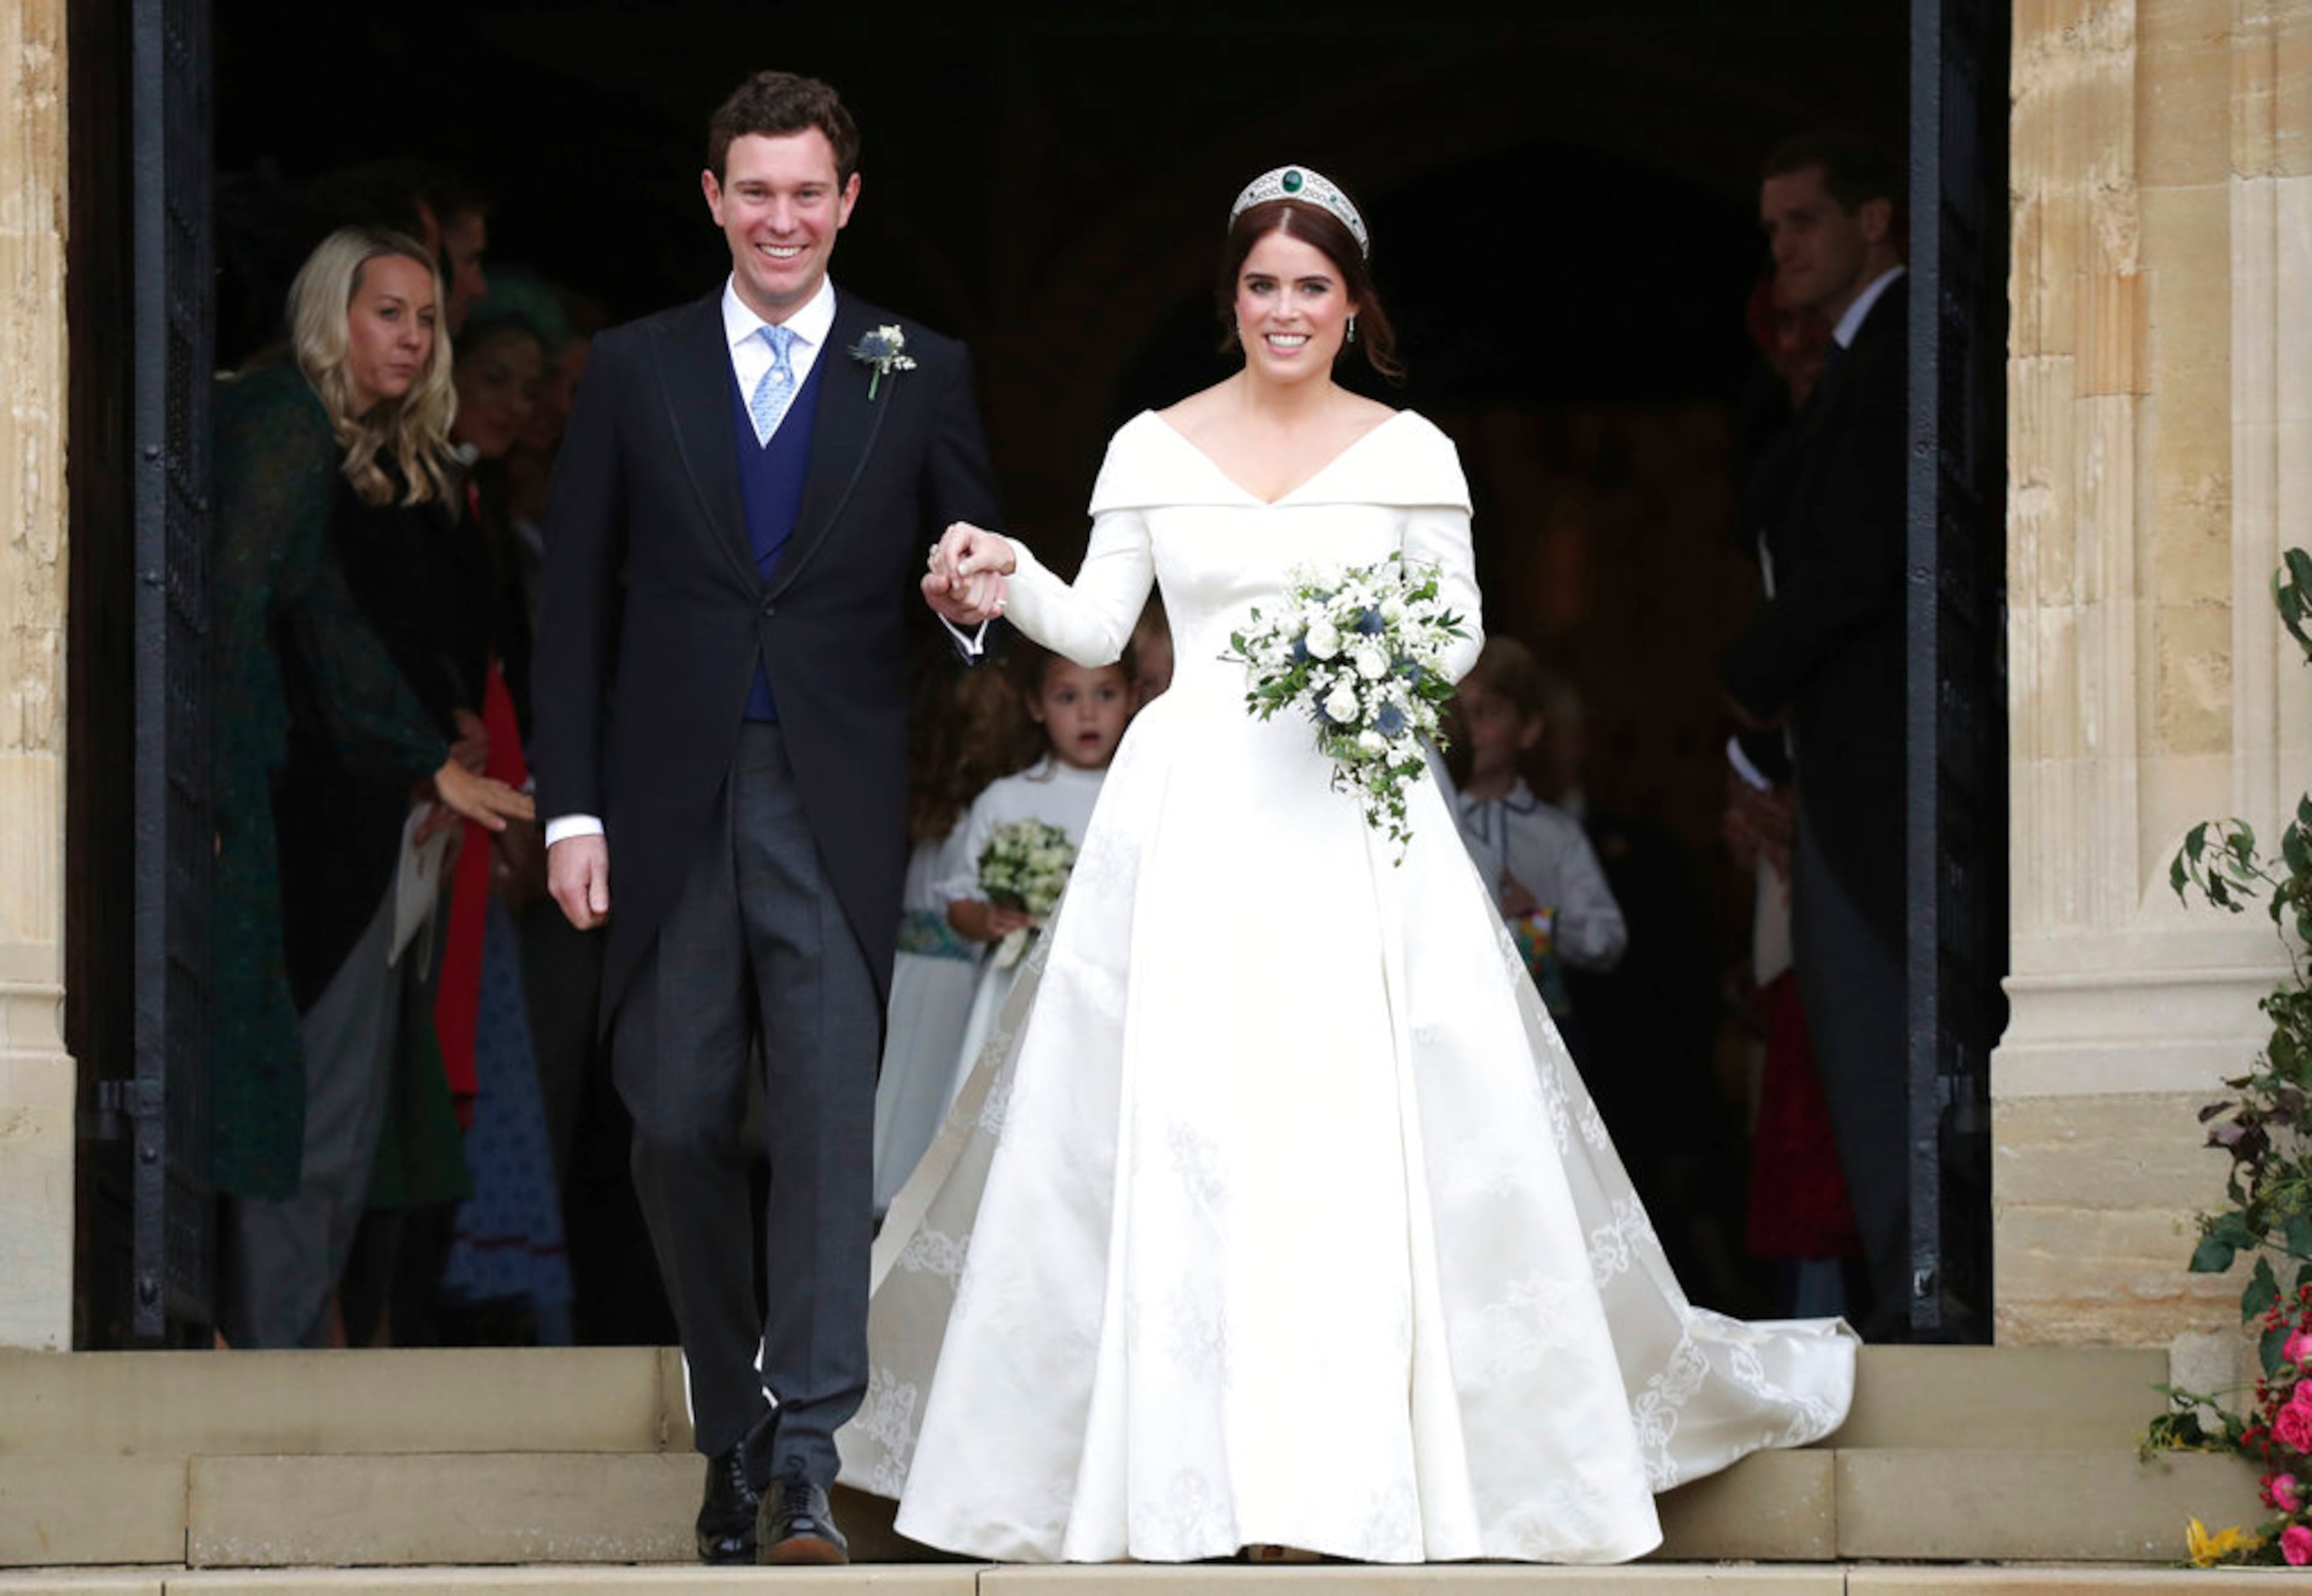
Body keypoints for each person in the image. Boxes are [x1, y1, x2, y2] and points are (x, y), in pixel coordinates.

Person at [860, 165, 1857, 1565]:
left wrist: (1371, 663)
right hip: (1194, 804)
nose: (1285, 309)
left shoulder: (1409, 452)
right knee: (1184, 1128)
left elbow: (1452, 631)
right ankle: (1176, 1477)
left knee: (1345, 1132)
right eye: (1262, 284)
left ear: (1351, 303)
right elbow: (1093, 626)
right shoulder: (1151, 444)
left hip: (1344, 808)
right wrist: (997, 575)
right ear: (1232, 300)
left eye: (1311, 286)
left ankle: (1340, 1480)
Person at [529, 70, 1001, 1565]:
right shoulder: (632, 366)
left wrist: (964, 603)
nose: (783, 216)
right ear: (717, 199)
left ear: (846, 202)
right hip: (663, 799)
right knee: (669, 1117)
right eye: (758, 190)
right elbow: (568, 604)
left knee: (820, 1123)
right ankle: (730, 1411)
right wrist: (569, 810)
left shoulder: (918, 367)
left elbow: (973, 572)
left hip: (834, 793)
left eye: (810, 191)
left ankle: (804, 1451)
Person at [210, 225, 535, 1350]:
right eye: (384, 311)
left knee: (337, 1119)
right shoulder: (282, 424)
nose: (409, 335)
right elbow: (281, 626)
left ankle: (282, 1358)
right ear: (327, 316)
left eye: (424, 316)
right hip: (300, 824)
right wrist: (420, 753)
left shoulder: (373, 454)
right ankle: (267, 1367)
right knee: (307, 1111)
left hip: (371, 820)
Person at [1720, 129, 1910, 1340]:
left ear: (1875, 219)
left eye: (1803, 221)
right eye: (1772, 226)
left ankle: (1914, 1313)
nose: (1781, 248)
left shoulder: (1897, 357)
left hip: (1891, 765)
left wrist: (1748, 685)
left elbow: (1861, 555)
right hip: (1835, 759)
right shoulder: (1849, 364)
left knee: (1883, 1044)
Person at [871, 660, 1037, 1217]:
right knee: (912, 1099)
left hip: (931, 974)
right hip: (937, 976)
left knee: (919, 1100)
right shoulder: (964, 813)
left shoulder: (967, 809)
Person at [939, 645, 1133, 1107]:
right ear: (1036, 706)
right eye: (1067, 698)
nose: (1088, 713)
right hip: (1019, 989)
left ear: (1133, 699)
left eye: (1105, 694)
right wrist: (987, 920)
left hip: (1112, 989)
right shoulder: (1006, 800)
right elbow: (958, 899)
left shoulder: (1141, 799)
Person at [1447, 637, 1627, 1036]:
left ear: (1528, 729)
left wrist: (1541, 921)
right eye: (1458, 713)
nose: (1470, 729)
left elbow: (1608, 937)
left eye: (1486, 713)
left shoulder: (1556, 833)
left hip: (1541, 1024)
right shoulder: (1438, 826)